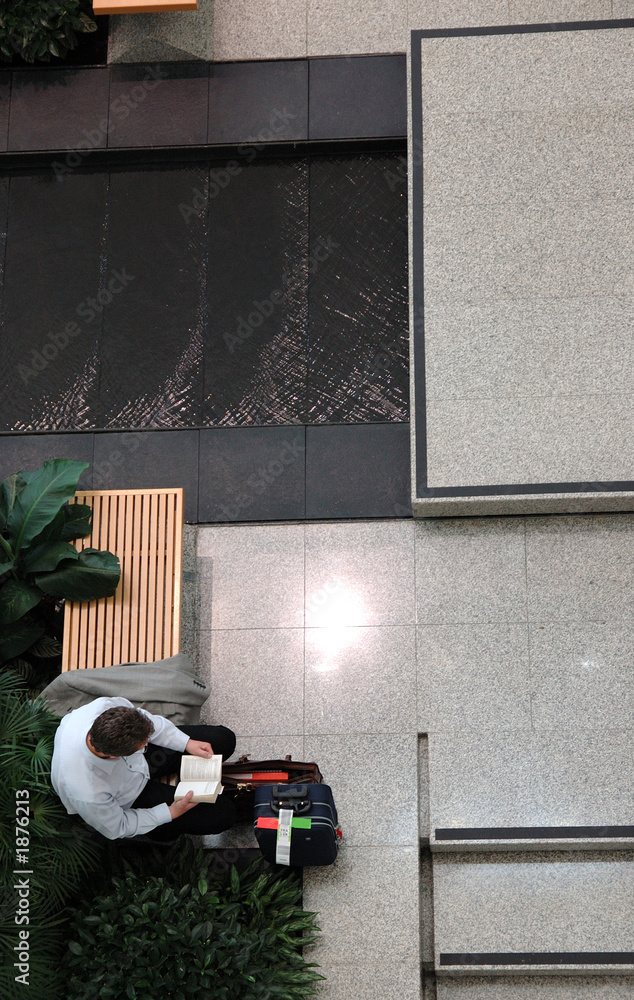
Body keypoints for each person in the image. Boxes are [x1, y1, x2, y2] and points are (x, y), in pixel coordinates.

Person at [50, 696, 236, 841]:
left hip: (140, 762)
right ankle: (161, 833)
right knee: (224, 814)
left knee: (223, 739)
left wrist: (186, 743)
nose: (148, 742)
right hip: (130, 796)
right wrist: (170, 812)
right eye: (143, 746)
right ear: (115, 756)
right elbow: (119, 826)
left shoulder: (103, 708)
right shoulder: (88, 793)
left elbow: (147, 721)